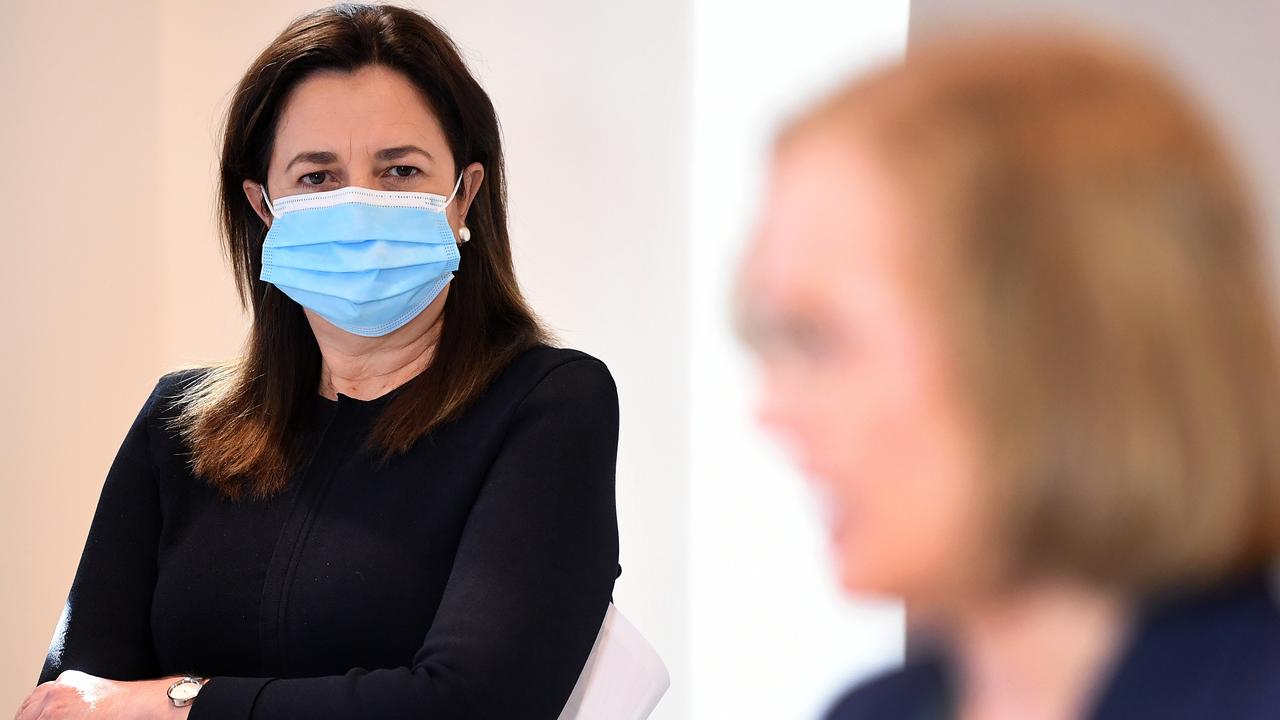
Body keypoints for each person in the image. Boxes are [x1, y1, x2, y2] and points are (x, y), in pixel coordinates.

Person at [16, 5, 620, 719]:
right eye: (317, 176)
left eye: (399, 169)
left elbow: (471, 703)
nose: (359, 203)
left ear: (466, 197)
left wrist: (180, 701)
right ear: (263, 206)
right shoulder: (177, 427)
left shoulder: (547, 406)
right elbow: (72, 701)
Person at [737, 29, 1280, 720]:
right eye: (772, 340)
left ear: (1059, 338)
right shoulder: (872, 711)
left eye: (821, 341)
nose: (772, 411)